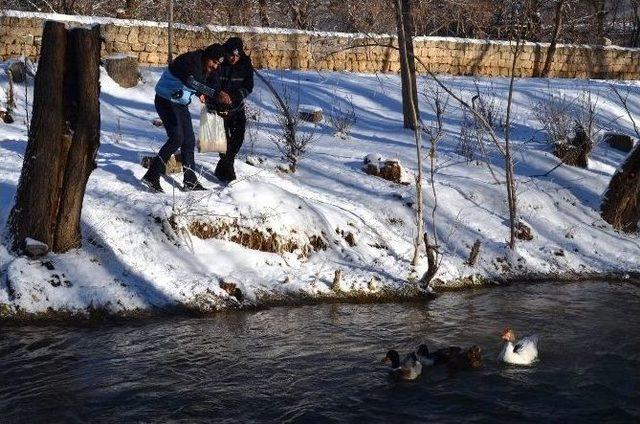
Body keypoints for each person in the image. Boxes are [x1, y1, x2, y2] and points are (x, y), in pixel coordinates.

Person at [142, 43, 225, 193]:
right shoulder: (189, 60)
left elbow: (214, 84)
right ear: (207, 56)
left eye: (218, 63)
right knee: (176, 138)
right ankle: (151, 176)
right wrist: (213, 93)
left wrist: (215, 96)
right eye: (214, 61)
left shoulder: (209, 68)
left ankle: (190, 181)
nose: (215, 66)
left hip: (180, 103)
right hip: (165, 100)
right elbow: (192, 81)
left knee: (189, 141)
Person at [207, 37, 254, 183]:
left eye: (237, 55)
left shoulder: (246, 64)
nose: (234, 58)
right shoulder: (217, 61)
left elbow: (248, 86)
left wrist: (233, 97)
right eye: (231, 55)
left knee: (237, 141)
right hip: (216, 108)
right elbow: (207, 81)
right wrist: (219, 95)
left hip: (236, 107)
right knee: (222, 144)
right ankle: (229, 178)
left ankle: (222, 169)